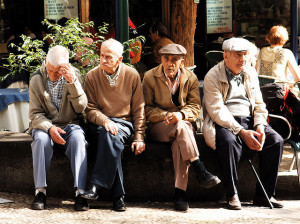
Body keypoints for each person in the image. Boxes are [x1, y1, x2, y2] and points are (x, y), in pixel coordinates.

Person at [203, 37, 284, 210]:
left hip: (250, 119)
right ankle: (232, 194)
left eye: (245, 55)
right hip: (227, 121)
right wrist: (241, 132)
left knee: (275, 141)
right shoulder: (213, 76)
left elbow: (259, 104)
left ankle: (265, 195)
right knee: (228, 142)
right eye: (238, 55)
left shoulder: (250, 72)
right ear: (226, 56)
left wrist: (260, 125)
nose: (243, 59)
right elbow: (217, 110)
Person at [142, 43, 221, 211]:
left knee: (180, 142)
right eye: (166, 59)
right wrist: (166, 115)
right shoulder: (149, 77)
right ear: (161, 59)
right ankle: (199, 168)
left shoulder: (190, 78)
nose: (170, 63)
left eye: (175, 60)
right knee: (181, 129)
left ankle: (180, 194)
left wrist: (181, 115)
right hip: (159, 126)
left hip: (183, 125)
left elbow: (195, 107)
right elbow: (146, 108)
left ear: (182, 62)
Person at [82, 39, 145, 211]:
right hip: (101, 123)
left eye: (108, 57)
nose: (103, 60)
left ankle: (96, 185)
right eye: (101, 55)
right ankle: (118, 196)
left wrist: (139, 136)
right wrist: (105, 120)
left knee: (111, 135)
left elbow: (139, 108)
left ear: (119, 59)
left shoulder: (132, 75)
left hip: (123, 122)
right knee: (109, 135)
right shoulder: (92, 76)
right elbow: (90, 109)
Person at [29, 45, 89, 211]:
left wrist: (73, 83)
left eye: (58, 71)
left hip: (70, 124)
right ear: (45, 61)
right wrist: (49, 128)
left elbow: (81, 108)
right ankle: (40, 191)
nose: (53, 75)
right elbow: (35, 114)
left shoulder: (74, 75)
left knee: (78, 139)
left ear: (67, 66)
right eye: (50, 70)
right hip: (44, 125)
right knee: (40, 140)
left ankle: (80, 192)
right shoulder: (36, 79)